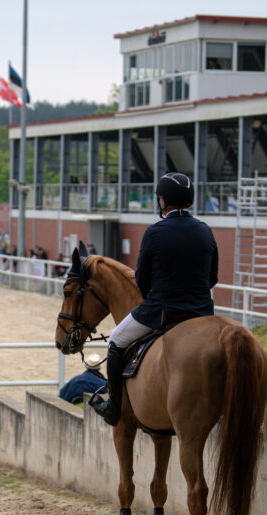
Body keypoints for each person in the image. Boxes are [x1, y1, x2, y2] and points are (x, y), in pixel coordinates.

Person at [90, 172, 218, 426]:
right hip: (203, 313)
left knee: (116, 338)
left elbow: (143, 279)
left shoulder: (155, 232)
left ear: (162, 201)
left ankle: (114, 407)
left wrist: (155, 296)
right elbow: (212, 277)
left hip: (162, 310)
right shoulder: (205, 231)